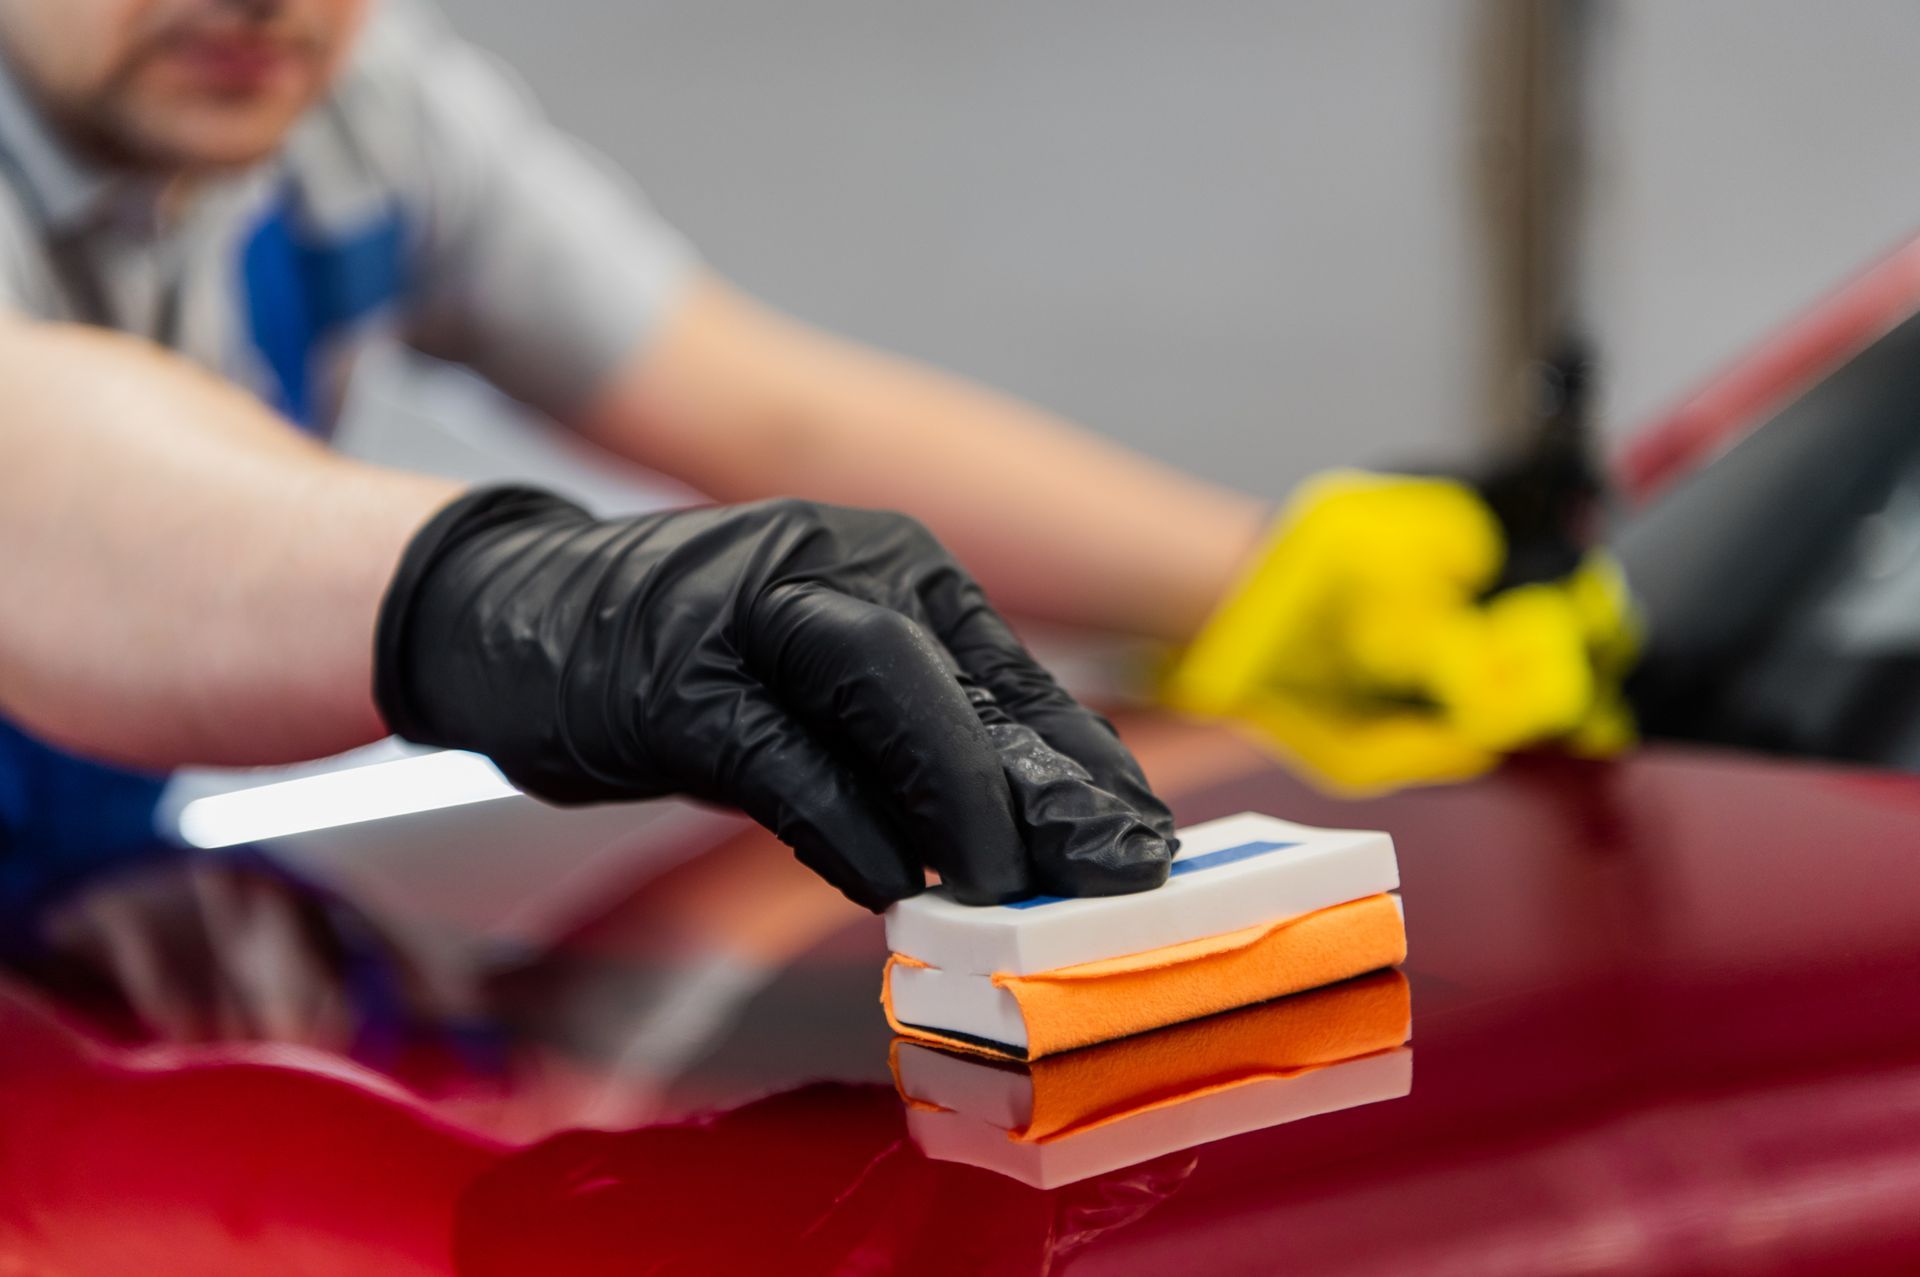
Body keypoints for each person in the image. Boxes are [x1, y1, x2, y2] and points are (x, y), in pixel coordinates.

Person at [0, 0, 1626, 912]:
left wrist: (1271, 575)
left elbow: (765, 410)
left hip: (97, 955)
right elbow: (56, 490)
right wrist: (543, 599)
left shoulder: (356, 109)